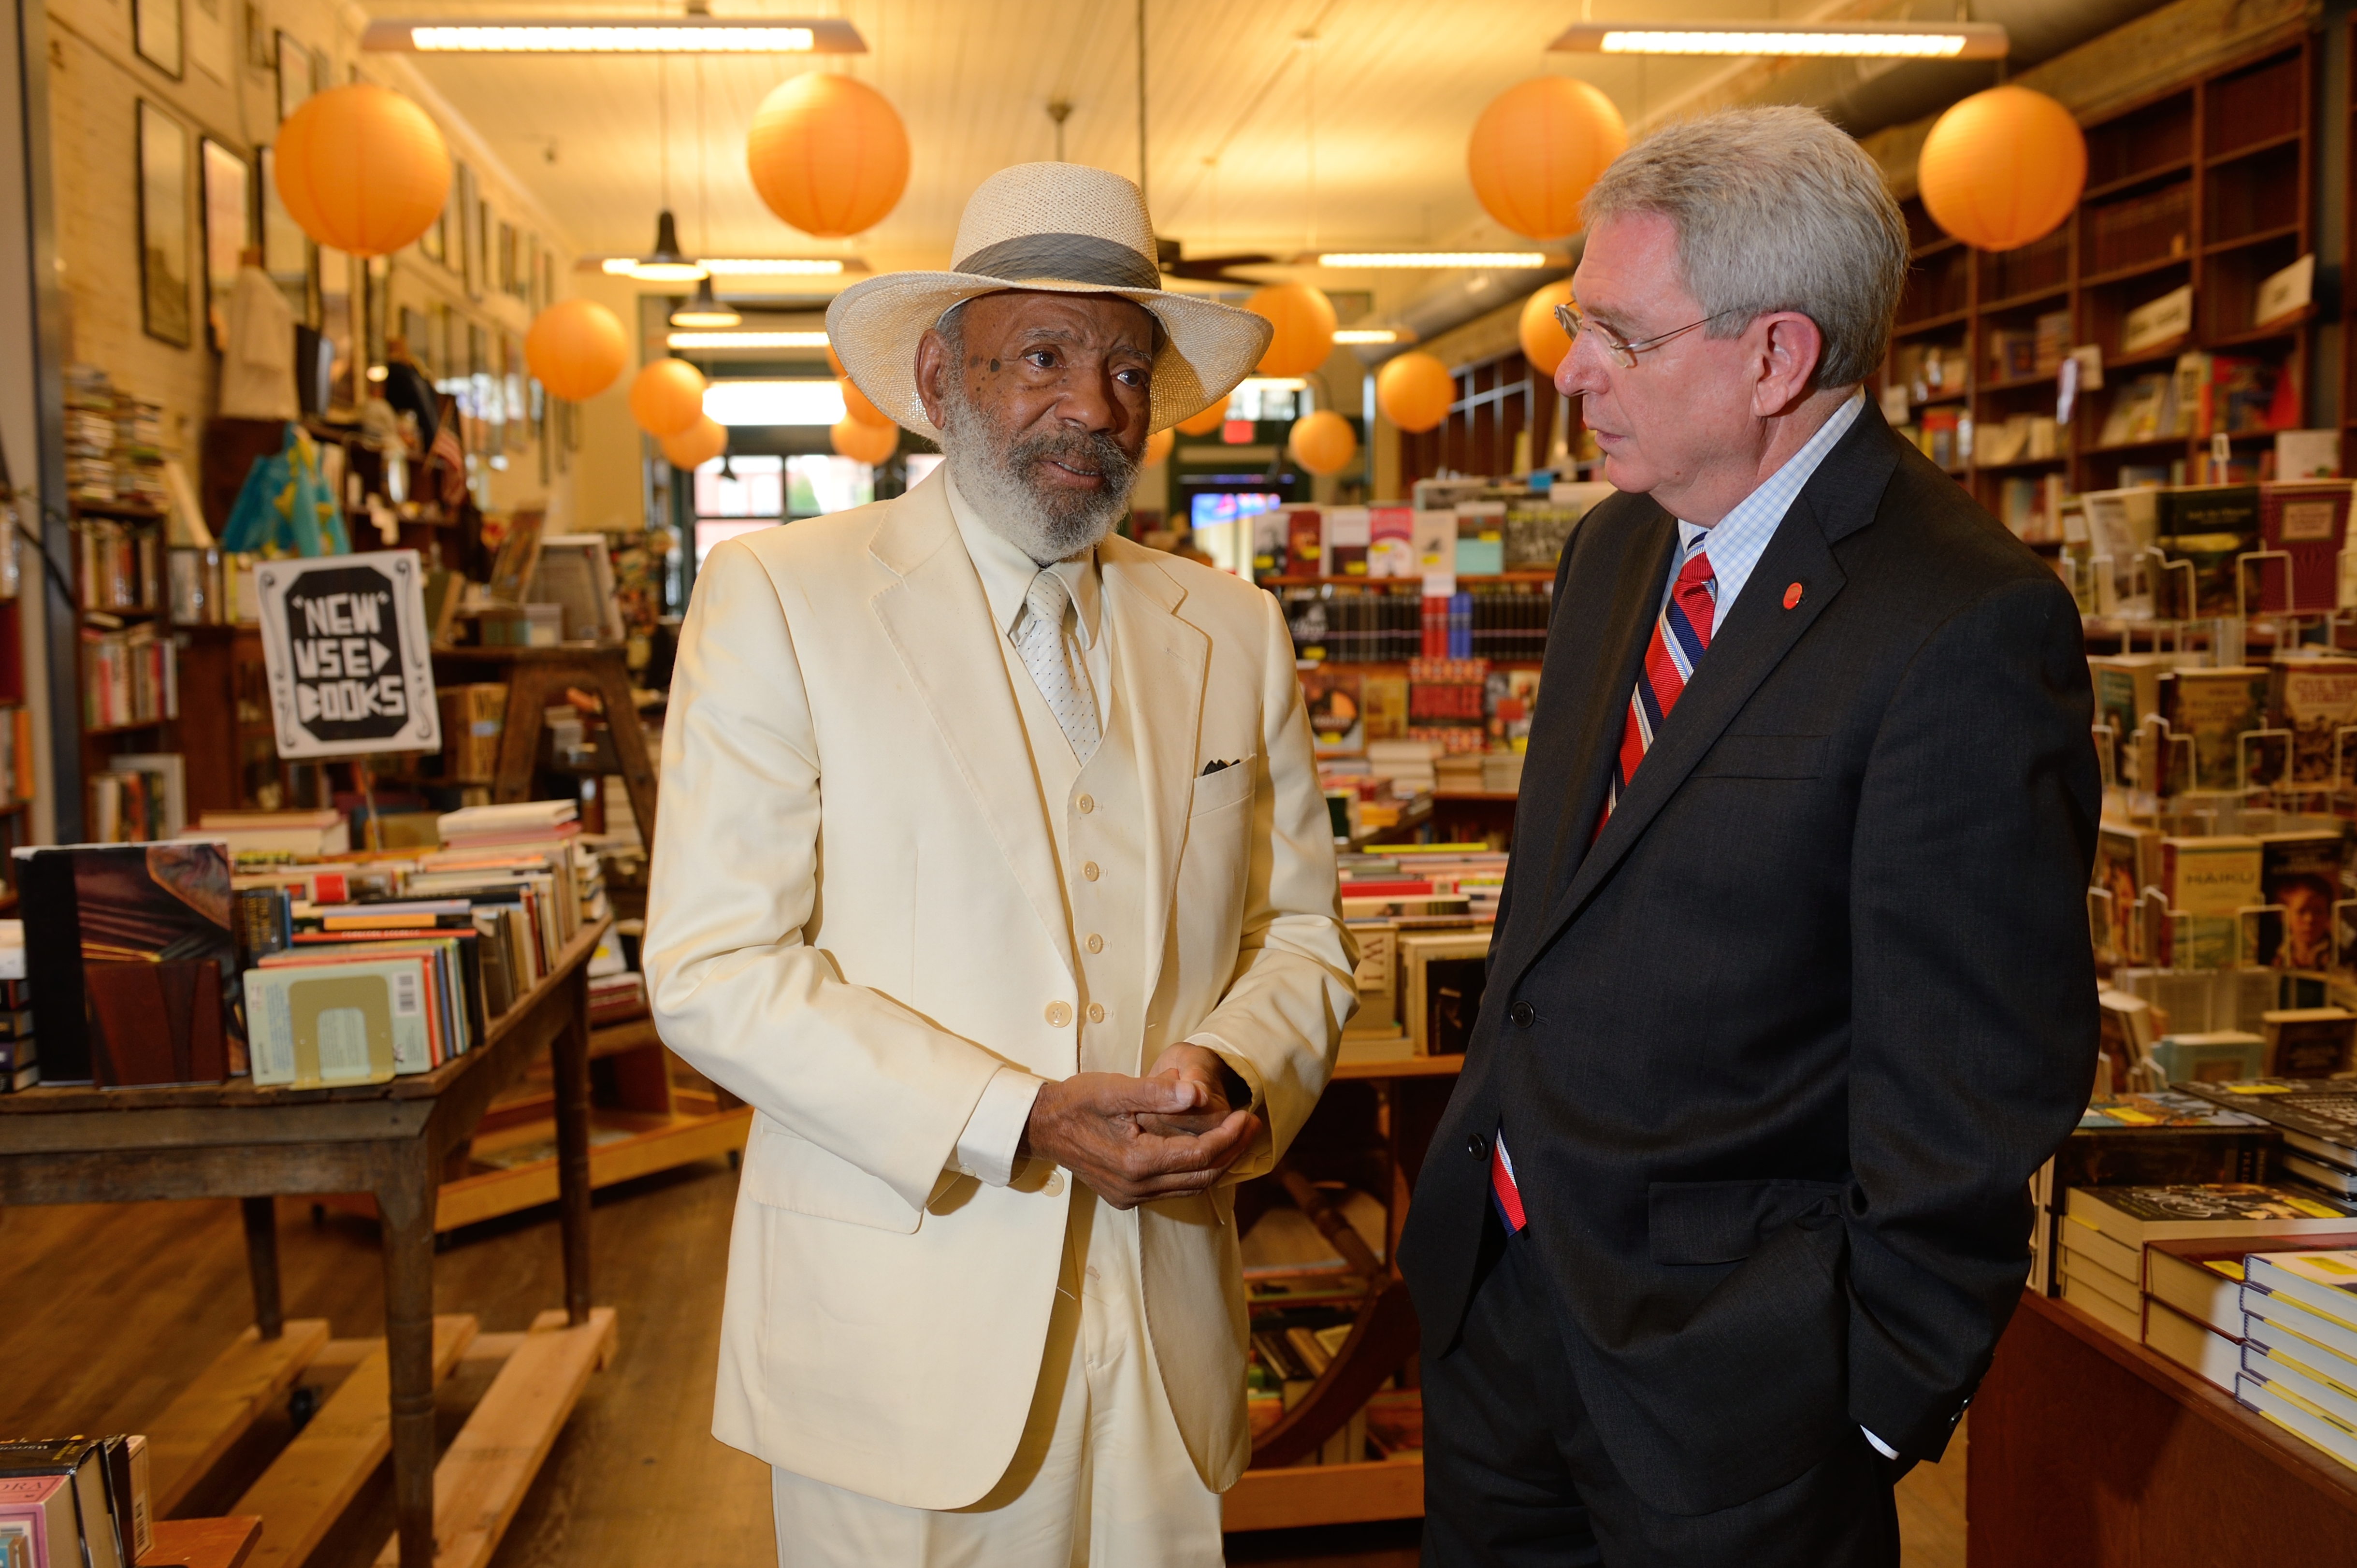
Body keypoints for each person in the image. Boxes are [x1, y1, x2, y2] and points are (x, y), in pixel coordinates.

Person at [1398, 106, 2099, 1567]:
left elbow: (1976, 1074)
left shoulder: (1960, 619)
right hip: (1503, 1318)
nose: (1574, 373)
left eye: (1623, 336)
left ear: (1776, 356)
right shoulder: (1614, 546)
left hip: (1736, 1397)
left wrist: (1865, 1406)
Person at [645, 161, 1357, 1567]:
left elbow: (1302, 935)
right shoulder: (783, 601)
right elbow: (715, 970)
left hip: (1167, 1329)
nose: (1092, 410)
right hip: (901, 1336)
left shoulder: (1231, 626)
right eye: (1043, 355)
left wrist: (1230, 1066)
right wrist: (1014, 1114)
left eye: (1128, 370)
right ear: (937, 373)